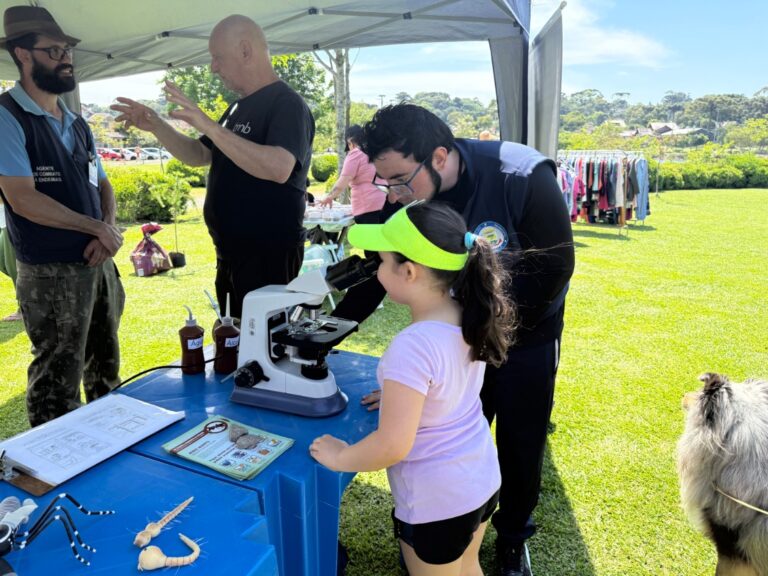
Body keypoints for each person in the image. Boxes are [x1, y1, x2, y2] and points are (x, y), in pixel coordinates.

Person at [332, 104, 575, 576]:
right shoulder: (405, 191)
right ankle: (434, 529)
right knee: (457, 428)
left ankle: (511, 538)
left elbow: (555, 270)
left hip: (526, 334)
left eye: (400, 180)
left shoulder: (520, 174)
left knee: (520, 441)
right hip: (457, 339)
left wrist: (483, 333)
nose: (394, 194)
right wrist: (332, 328)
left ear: (439, 157)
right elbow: (378, 265)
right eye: (384, 182)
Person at [311, 201, 515, 576]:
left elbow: (392, 446)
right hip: (480, 481)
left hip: (437, 503)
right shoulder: (468, 312)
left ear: (408, 272)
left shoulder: (412, 345)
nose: (377, 268)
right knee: (468, 567)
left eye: (383, 261)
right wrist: (405, 398)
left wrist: (341, 457)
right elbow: (447, 386)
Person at [111, 14, 315, 319]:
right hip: (231, 254)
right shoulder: (236, 107)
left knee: (265, 349)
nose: (213, 67)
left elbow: (279, 167)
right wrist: (156, 126)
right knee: (234, 339)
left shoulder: (286, 104)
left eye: (217, 57)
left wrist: (208, 123)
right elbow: (199, 154)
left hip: (268, 256)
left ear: (246, 51)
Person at [0, 6, 125, 427]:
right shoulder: (6, 117)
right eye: (53, 51)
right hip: (50, 274)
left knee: (106, 369)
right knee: (57, 382)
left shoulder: (78, 123)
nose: (66, 58)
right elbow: (23, 199)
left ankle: (111, 453)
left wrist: (105, 231)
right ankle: (54, 476)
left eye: (67, 50)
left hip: (97, 264)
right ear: (23, 54)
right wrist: (98, 229)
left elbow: (102, 184)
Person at [318, 125, 386, 225]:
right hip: (384, 203)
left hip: (367, 207)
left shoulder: (356, 154)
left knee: (367, 239)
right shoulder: (376, 153)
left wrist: (329, 197)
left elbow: (343, 181)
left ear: (350, 141)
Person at [0, 199, 22, 321]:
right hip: (4, 222)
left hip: (12, 222)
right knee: (4, 263)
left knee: (14, 268)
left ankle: (24, 309)